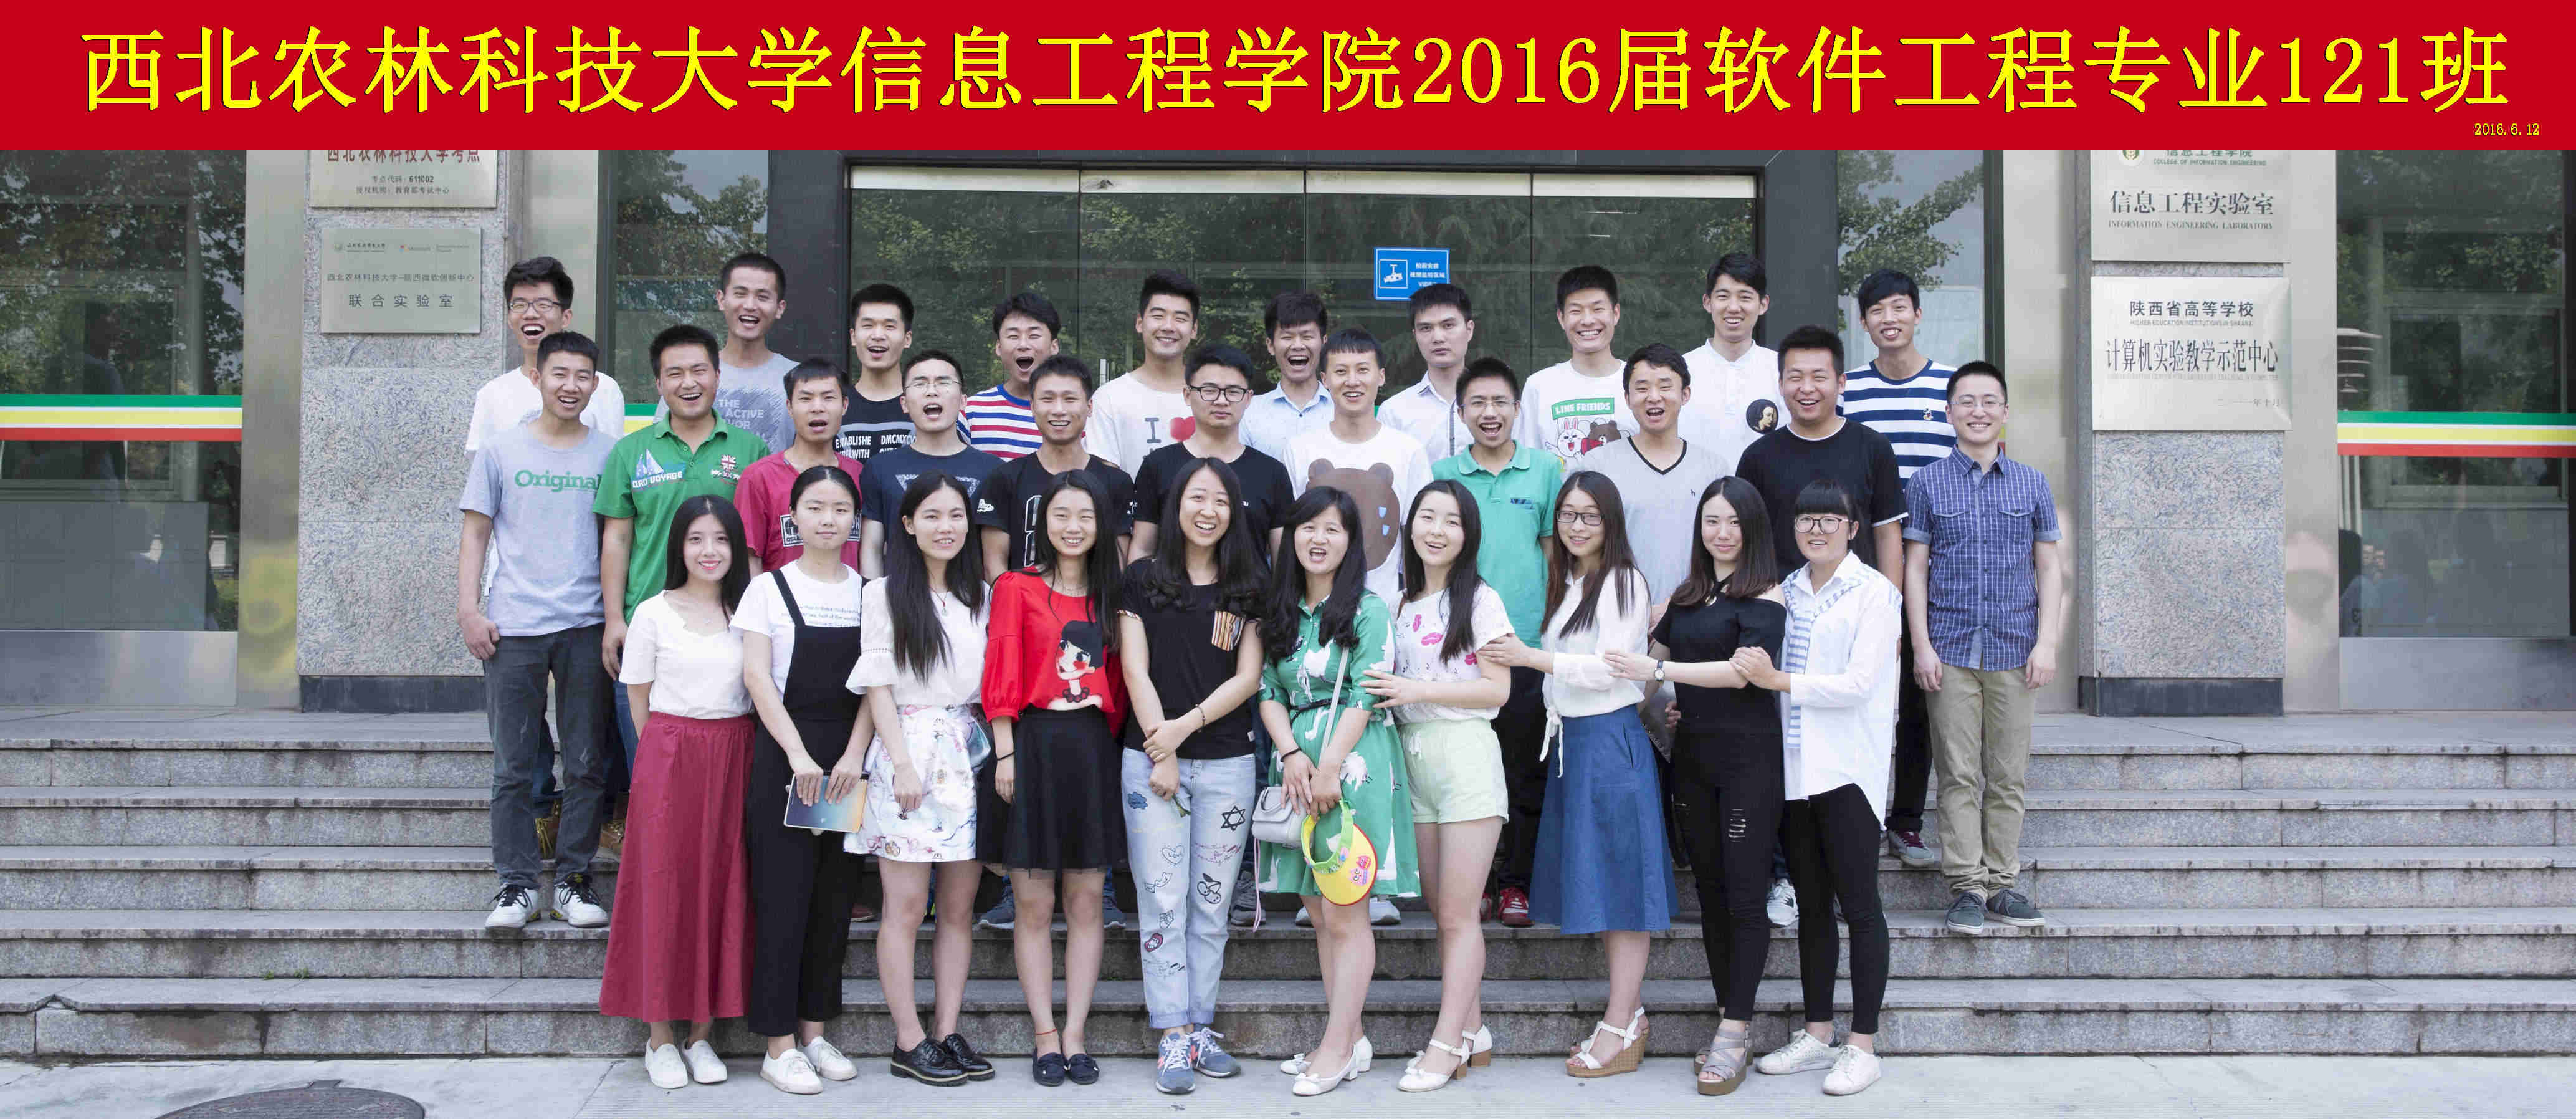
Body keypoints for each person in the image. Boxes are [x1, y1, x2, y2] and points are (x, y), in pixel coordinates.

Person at [1482, 472, 1676, 1079]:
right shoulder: (1570, 581)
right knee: (1606, 882)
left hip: (1609, 742)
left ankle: (1621, 1023)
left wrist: (1530, 657)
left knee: (1623, 888)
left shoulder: (1622, 580)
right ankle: (1626, 1014)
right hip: (1574, 744)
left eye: (1591, 514)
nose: (1577, 524)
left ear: (1611, 520)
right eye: (1568, 513)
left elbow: (1610, 668)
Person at [1606, 476, 1785, 1096]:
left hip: (1749, 763)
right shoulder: (1686, 597)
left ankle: (1735, 1032)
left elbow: (1739, 674)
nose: (1722, 532)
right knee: (1709, 896)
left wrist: (1659, 668)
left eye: (1734, 521)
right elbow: (1643, 674)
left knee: (1744, 897)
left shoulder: (1765, 596)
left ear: (1753, 528)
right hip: (1694, 761)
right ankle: (1727, 1015)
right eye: (1712, 520)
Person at [1732, 324, 1905, 928]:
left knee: (1840, 742)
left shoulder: (1871, 448)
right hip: (1780, 619)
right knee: (1782, 748)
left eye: (1819, 376)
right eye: (1795, 376)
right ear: (1779, 383)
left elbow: (1888, 535)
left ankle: (1842, 870)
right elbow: (1747, 543)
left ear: (1841, 381)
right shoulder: (1760, 456)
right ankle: (1788, 875)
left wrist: (1893, 617)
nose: (1806, 388)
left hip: (1849, 619)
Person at [1732, 479, 1898, 1097]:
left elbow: (1858, 684)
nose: (1818, 529)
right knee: (1812, 905)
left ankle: (1863, 1045)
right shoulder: (1787, 590)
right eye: (1807, 519)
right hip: (1794, 769)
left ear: (1853, 529)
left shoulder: (1875, 592)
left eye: (1831, 519)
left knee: (1861, 906)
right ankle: (1818, 1032)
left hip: (1847, 769)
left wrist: (1777, 681)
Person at [1116, 457, 1268, 1095]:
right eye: (1197, 498)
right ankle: (1172, 1032)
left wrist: (1185, 728)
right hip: (1152, 766)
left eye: (1221, 501)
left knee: (1210, 904)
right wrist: (1164, 749)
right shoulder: (1141, 578)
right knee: (1162, 900)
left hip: (1229, 763)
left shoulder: (1248, 585)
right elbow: (1135, 669)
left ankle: (1201, 1024)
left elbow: (1249, 677)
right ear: (1176, 505)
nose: (1209, 511)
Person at [1260, 487, 1418, 1097]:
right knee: (1321, 911)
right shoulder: (1282, 610)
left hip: (1349, 767)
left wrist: (1328, 765)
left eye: (1333, 528)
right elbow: (1268, 691)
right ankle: (1347, 1036)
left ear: (1352, 542)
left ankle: (1337, 1045)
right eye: (1308, 527)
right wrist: (1291, 755)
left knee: (1346, 909)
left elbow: (1366, 692)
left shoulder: (1368, 610)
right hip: (1297, 769)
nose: (1318, 538)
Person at [457, 329, 617, 931]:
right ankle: (517, 884)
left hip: (585, 623)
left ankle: (574, 879)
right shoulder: (500, 450)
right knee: (514, 764)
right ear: (538, 378)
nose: (570, 386)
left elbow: (617, 540)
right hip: (513, 626)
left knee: (586, 761)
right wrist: (468, 609)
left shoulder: (610, 453)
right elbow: (475, 532)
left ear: (595, 385)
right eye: (560, 374)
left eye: (582, 376)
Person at [598, 495, 756, 1091]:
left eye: (720, 539)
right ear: (678, 547)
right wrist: (666, 760)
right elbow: (638, 699)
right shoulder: (653, 612)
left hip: (736, 754)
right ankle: (660, 1036)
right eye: (696, 539)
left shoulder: (750, 609)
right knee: (664, 890)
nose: (709, 551)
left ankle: (702, 1035)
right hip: (669, 757)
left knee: (723, 886)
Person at [1902, 362, 2066, 936]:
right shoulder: (1926, 483)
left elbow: (2049, 566)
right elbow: (1915, 568)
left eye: (1989, 401)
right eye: (1967, 401)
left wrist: (2047, 642)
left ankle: (2002, 883)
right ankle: (1966, 887)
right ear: (1949, 413)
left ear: (2005, 412)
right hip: (1948, 649)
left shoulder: (2032, 483)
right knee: (1957, 774)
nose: (1978, 411)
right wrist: (1921, 646)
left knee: (2007, 773)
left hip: (2016, 649)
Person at [980, 471, 1130, 1088]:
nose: (1073, 526)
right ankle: (1045, 1034)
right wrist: (1006, 752)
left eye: (1085, 516)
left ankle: (1076, 1035)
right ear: (1043, 523)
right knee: (1034, 902)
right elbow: (1001, 664)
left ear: (1102, 525)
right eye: (1062, 514)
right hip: (1032, 745)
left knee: (1088, 899)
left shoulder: (1113, 596)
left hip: (1093, 749)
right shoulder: (1016, 587)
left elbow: (1122, 681)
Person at [1359, 480, 1509, 1092]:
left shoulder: (1482, 600)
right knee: (1438, 907)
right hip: (1411, 759)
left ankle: (1446, 1044)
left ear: (1468, 534)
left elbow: (1498, 689)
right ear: (1410, 526)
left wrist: (1416, 690)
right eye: (1427, 517)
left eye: (1452, 520)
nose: (1437, 530)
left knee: (1458, 913)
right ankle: (1473, 1031)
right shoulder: (1398, 603)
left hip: (1464, 752)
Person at [848, 473, 995, 1086]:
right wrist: (902, 762)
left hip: (968, 753)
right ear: (907, 524)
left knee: (958, 908)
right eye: (931, 515)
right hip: (906, 752)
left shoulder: (981, 596)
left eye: (956, 515)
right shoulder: (883, 593)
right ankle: (908, 1039)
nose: (946, 527)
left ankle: (946, 1031)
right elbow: (877, 684)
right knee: (906, 908)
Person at [733, 466, 869, 1095]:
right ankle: (777, 1044)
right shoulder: (766, 589)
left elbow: (877, 682)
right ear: (793, 518)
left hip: (846, 764)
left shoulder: (870, 593)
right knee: (782, 897)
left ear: (855, 520)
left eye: (840, 508)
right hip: (786, 757)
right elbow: (756, 677)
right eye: (815, 507)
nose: (827, 519)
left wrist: (853, 754)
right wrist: (797, 755)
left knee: (833, 898)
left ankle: (814, 1033)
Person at [598, 325, 771, 784]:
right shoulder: (630, 452)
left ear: (718, 376)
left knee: (723, 772)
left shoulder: (750, 449)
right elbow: (617, 539)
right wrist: (614, 618)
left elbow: (757, 544)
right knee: (651, 772)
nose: (688, 383)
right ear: (658, 383)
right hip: (647, 624)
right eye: (674, 373)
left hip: (728, 628)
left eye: (699, 370)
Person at [1430, 357, 1560, 929]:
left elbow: (1555, 557)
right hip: (1459, 648)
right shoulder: (1443, 473)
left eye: (1500, 402)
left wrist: (1550, 630)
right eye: (1477, 403)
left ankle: (1516, 884)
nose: (1490, 413)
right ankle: (1476, 884)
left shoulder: (1545, 470)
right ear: (1461, 412)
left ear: (1517, 409)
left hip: (1523, 644)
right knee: (1468, 774)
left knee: (1524, 773)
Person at [1839, 270, 1956, 871]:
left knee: (1916, 694)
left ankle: (1906, 821)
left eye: (1899, 307)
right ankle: (1855, 813)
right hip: (1864, 563)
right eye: (1878, 310)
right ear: (1863, 322)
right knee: (1859, 689)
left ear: (1917, 314)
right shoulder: (1848, 391)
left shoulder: (1950, 388)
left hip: (1938, 566)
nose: (1890, 319)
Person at [1574, 343, 1730, 608]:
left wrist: (1676, 606)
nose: (1654, 397)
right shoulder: (1597, 465)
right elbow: (1579, 548)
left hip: (1696, 613)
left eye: (1665, 387)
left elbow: (1727, 553)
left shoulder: (1714, 469)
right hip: (1615, 613)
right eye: (1642, 388)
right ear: (1627, 398)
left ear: (1685, 394)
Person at [1286, 328, 1432, 607]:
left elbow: (1417, 539)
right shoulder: (1300, 449)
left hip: (1385, 609)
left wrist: (1413, 605)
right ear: (1324, 380)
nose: (1352, 381)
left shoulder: (1408, 451)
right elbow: (1291, 535)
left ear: (1381, 376)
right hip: (1313, 610)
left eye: (1363, 370)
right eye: (1341, 372)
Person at [1130, 344, 1295, 560]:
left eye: (1233, 392)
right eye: (1209, 391)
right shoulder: (1158, 465)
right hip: (1170, 583)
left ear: (1249, 399)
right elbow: (1142, 549)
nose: (1221, 401)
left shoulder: (1272, 473)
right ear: (1187, 395)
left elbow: (1283, 561)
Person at [977, 355, 1138, 574]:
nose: (1059, 410)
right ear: (1032, 407)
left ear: (1089, 407)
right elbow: (994, 566)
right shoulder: (1003, 479)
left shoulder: (1116, 483)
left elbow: (1118, 567)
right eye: (1048, 399)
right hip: (1020, 596)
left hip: (1094, 597)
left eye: (1070, 399)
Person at [857, 351, 1003, 577]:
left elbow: (995, 558)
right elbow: (872, 549)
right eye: (920, 384)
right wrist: (871, 594)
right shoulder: (879, 468)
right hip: (897, 595)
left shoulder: (994, 470)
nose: (932, 391)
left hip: (970, 596)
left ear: (963, 401)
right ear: (904, 403)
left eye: (944, 382)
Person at [466, 256, 627, 452]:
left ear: (565, 317)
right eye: (520, 305)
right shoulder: (492, 394)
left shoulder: (604, 390)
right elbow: (481, 467)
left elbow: (613, 462)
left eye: (543, 305)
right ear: (509, 319)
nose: (530, 314)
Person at [652, 252, 798, 454]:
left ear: (779, 308)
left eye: (762, 297)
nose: (750, 306)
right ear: (721, 300)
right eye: (740, 294)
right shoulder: (691, 375)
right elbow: (660, 448)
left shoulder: (798, 378)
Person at [736, 360, 865, 572]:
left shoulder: (861, 475)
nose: (817, 408)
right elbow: (750, 559)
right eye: (806, 399)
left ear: (845, 405)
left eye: (828, 398)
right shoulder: (759, 477)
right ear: (789, 407)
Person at [1680, 252, 1783, 473]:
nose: (1734, 307)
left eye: (1745, 297)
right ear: (1707, 302)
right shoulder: (1679, 371)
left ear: (1763, 304)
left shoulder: (1783, 370)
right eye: (1723, 296)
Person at [1089, 270, 1200, 474]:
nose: (1168, 327)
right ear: (1140, 323)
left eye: (1180, 318)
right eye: (1158, 316)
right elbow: (1105, 483)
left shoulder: (1212, 397)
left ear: (1194, 330)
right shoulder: (1110, 399)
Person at [1379, 284, 1477, 460]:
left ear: (1469, 330)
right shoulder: (1394, 411)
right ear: (1415, 335)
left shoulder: (1498, 405)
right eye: (1426, 328)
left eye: (1448, 325)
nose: (1438, 338)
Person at [962, 291, 1060, 461]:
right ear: (999, 348)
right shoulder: (971, 413)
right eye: (1013, 336)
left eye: (1034, 335)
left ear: (1054, 346)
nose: (1023, 345)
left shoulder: (1075, 414)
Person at [1241, 291, 1333, 464]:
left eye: (1307, 336)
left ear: (1324, 342)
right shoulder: (1247, 413)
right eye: (1287, 337)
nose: (1298, 346)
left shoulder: (1343, 411)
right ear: (1271, 345)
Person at [840, 282, 918, 462]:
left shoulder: (926, 406)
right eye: (868, 325)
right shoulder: (832, 408)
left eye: (889, 326)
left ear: (907, 339)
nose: (877, 335)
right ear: (853, 336)